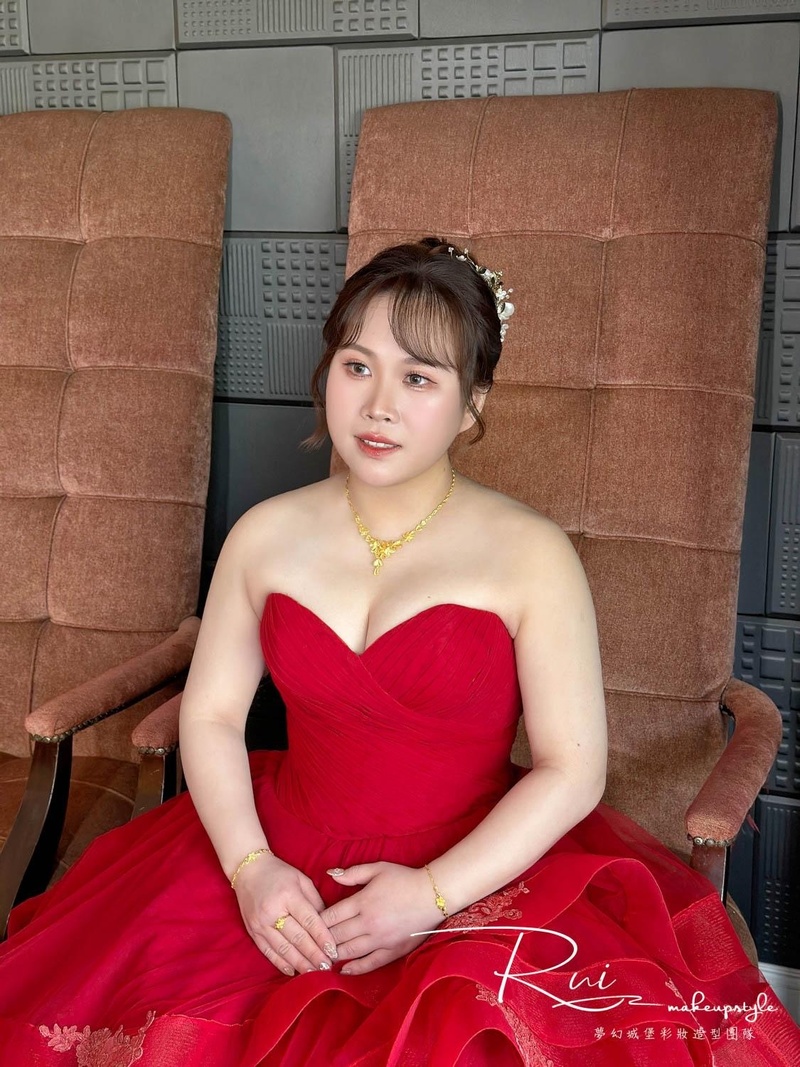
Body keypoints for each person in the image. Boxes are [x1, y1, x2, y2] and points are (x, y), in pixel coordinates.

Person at [0, 237, 798, 1067]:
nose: (378, 405)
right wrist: (250, 868)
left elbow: (573, 770)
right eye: (358, 367)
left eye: (418, 378)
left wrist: (430, 896)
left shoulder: (531, 554)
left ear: (472, 403)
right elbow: (210, 714)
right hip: (278, 850)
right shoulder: (265, 535)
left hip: (474, 869)